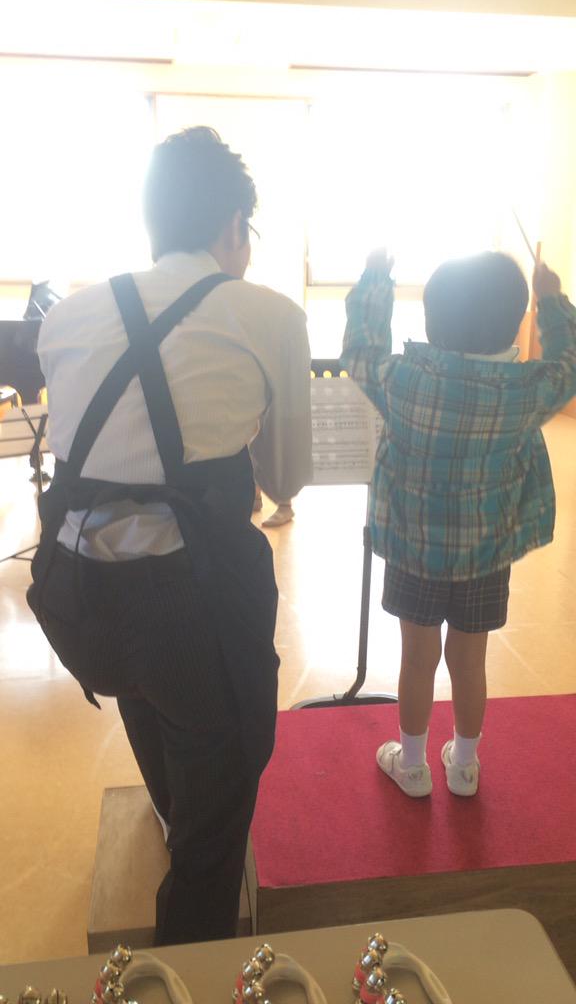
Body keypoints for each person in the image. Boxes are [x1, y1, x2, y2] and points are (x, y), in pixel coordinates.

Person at [27, 126, 312, 943]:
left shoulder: (67, 315)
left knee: (147, 690)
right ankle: (190, 947)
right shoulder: (270, 316)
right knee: (226, 775)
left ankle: (174, 805)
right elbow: (286, 478)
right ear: (235, 226)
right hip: (188, 608)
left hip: (74, 600)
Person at [341, 250, 576, 797]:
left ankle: (413, 765)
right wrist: (552, 300)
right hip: (485, 554)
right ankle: (465, 766)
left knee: (417, 656)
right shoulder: (525, 390)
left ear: (432, 319)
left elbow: (360, 352)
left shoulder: (404, 380)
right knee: (471, 660)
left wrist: (375, 279)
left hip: (415, 548)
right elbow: (569, 365)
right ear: (513, 320)